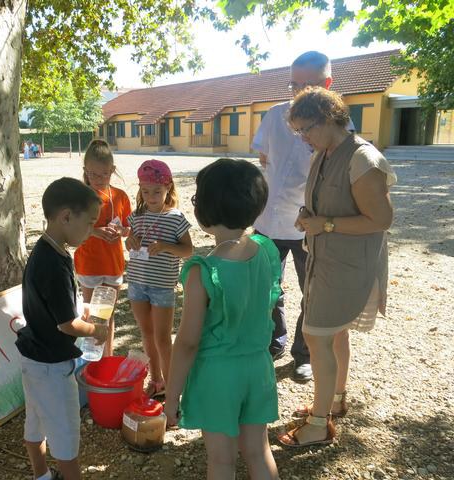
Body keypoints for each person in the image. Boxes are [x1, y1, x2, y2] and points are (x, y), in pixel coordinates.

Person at [278, 87, 396, 447]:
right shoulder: (324, 153)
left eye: (306, 129)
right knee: (334, 334)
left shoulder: (363, 159)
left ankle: (318, 425)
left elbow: (381, 220)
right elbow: (327, 202)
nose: (303, 138)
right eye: (298, 131)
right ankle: (334, 401)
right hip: (326, 259)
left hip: (347, 264)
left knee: (317, 336)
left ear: (329, 118)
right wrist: (308, 215)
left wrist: (325, 224)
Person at [164, 158, 280, 480]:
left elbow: (187, 342)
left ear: (205, 210)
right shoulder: (266, 250)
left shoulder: (202, 271)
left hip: (217, 374)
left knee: (222, 461)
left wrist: (171, 395)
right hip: (258, 367)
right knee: (259, 452)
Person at [252, 51, 347, 382]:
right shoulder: (274, 115)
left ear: (327, 84)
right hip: (268, 221)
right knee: (267, 288)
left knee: (313, 293)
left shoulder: (341, 126)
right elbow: (265, 159)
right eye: (294, 85)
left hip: (310, 226)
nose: (299, 93)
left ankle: (303, 354)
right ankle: (273, 341)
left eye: (308, 85)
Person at [15, 177, 109, 480]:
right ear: (66, 216)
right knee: (65, 435)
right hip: (52, 367)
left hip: (33, 357)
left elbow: (53, 305)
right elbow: (68, 325)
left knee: (35, 422)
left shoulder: (48, 250)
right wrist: (96, 331)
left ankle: (41, 475)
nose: (91, 230)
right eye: (89, 222)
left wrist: (80, 307)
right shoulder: (54, 264)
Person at [126, 159, 192, 397]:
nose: (151, 197)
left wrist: (165, 246)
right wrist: (130, 241)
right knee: (146, 334)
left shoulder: (175, 218)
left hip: (162, 287)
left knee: (163, 339)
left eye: (156, 191)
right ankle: (156, 381)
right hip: (136, 284)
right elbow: (130, 243)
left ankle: (173, 389)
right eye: (146, 191)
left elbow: (188, 250)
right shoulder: (136, 216)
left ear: (168, 188)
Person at [73, 139, 131, 356]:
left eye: (104, 174)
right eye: (93, 175)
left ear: (112, 170)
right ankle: (90, 358)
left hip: (113, 264)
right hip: (89, 264)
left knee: (108, 315)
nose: (98, 179)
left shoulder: (120, 196)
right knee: (91, 313)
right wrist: (95, 231)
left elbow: (128, 228)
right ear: (85, 170)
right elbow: (73, 232)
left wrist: (121, 231)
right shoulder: (79, 197)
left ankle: (107, 356)